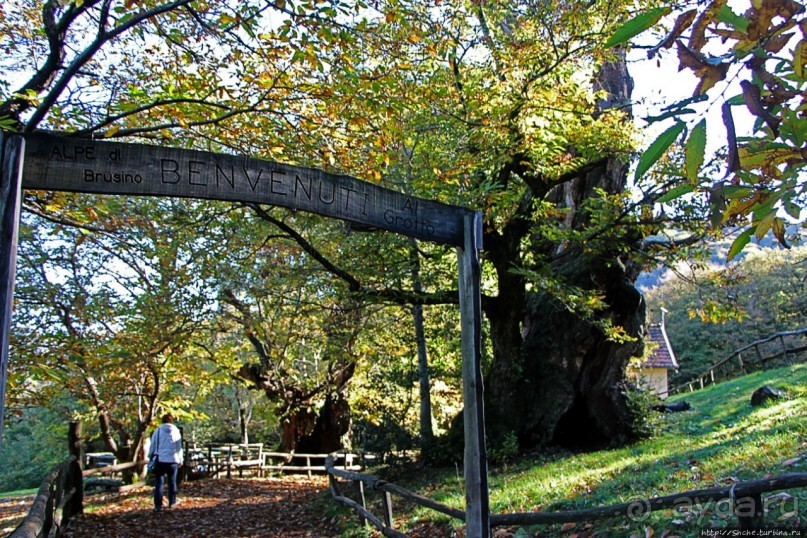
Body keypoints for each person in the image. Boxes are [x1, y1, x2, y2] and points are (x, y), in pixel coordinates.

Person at [147, 413, 183, 511]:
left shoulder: (157, 431)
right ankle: (172, 502)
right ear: (171, 421)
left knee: (159, 482)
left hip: (160, 459)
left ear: (162, 420)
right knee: (172, 482)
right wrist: (180, 459)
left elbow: (153, 445)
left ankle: (157, 505)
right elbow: (179, 447)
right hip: (173, 460)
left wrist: (150, 456)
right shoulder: (176, 431)